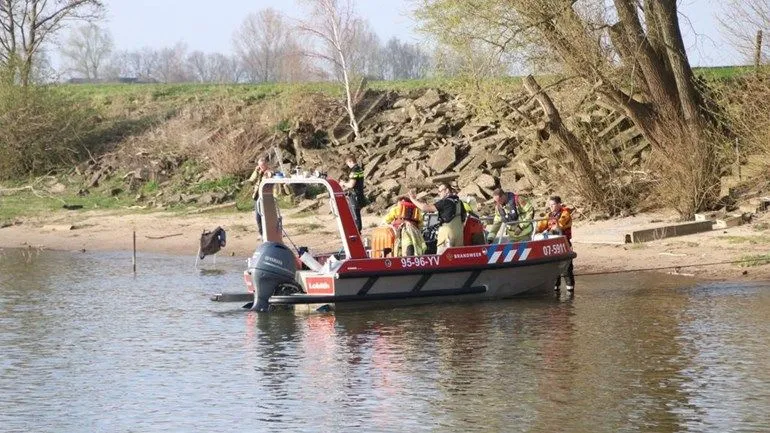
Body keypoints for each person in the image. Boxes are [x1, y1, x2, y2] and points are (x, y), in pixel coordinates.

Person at [408, 183, 465, 254]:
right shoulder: (459, 202)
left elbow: (425, 208)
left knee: (443, 259)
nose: (439, 193)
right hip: (459, 235)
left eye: (440, 191)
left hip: (447, 234)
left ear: (447, 190)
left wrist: (412, 199)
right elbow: (463, 218)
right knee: (458, 258)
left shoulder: (445, 202)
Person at [536, 195, 575, 292]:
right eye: (550, 205)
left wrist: (548, 231)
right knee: (554, 265)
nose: (551, 207)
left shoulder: (565, 214)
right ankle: (556, 287)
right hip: (552, 244)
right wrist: (536, 229)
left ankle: (570, 288)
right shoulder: (549, 215)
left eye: (553, 205)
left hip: (564, 242)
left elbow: (560, 225)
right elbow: (541, 225)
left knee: (566, 267)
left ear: (559, 204)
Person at [243, 157, 273, 238]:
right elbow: (251, 180)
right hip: (257, 196)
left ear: (266, 164)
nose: (261, 167)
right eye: (260, 165)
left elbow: (270, 178)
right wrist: (256, 171)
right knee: (258, 216)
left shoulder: (270, 172)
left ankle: (271, 232)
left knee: (268, 216)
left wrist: (267, 173)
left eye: (263, 165)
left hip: (266, 196)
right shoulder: (258, 171)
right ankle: (261, 233)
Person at [342, 154, 366, 232]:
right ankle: (357, 230)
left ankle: (357, 231)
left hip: (354, 195)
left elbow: (351, 184)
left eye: (347, 163)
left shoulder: (354, 170)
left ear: (350, 161)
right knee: (356, 214)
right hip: (359, 194)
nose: (348, 165)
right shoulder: (359, 169)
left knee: (355, 215)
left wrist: (343, 184)